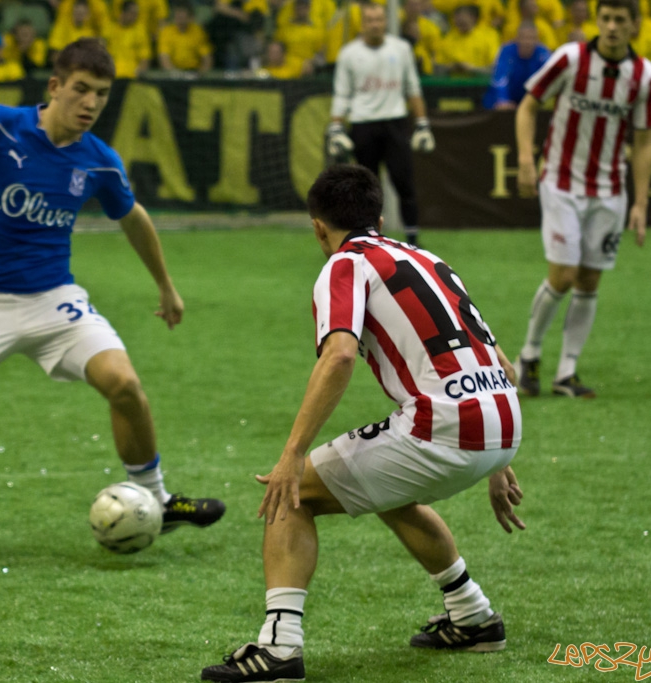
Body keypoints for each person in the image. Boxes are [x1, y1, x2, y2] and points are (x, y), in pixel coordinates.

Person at [0, 38, 225, 549]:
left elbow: (133, 218)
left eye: (102, 94)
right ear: (55, 87)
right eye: (81, 90)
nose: (90, 103)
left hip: (54, 300)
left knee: (124, 384)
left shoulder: (99, 161)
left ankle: (157, 499)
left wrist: (166, 285)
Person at [200, 163, 524, 683]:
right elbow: (500, 363)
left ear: (317, 227)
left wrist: (292, 455)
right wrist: (498, 458)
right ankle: (473, 616)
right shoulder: (428, 258)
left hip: (445, 425)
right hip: (503, 420)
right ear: (378, 215)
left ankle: (280, 648)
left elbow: (340, 356)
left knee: (295, 493)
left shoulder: (345, 265)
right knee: (379, 484)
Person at [514, 0, 651, 398]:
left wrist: (641, 203)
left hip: (610, 190)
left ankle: (566, 373)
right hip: (561, 182)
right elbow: (528, 106)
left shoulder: (644, 75)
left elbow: (645, 141)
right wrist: (526, 159)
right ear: (598, 22)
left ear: (634, 25)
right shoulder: (569, 58)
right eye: (606, 19)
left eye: (620, 20)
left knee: (590, 279)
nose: (611, 27)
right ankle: (528, 355)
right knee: (562, 275)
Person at [327, 2, 434, 247]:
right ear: (362, 24)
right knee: (366, 190)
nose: (375, 24)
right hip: (363, 124)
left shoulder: (401, 49)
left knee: (404, 182)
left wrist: (422, 124)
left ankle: (413, 241)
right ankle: (368, 242)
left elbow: (412, 89)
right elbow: (342, 94)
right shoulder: (349, 54)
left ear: (385, 22)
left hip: (394, 123)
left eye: (378, 19)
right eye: (370, 20)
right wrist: (336, 127)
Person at [482, 22, 550, 109]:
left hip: (529, 98)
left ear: (537, 40)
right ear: (517, 38)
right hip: (502, 97)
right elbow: (500, 79)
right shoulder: (506, 51)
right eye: (524, 38)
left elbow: (550, 75)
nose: (527, 42)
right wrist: (503, 100)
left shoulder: (542, 53)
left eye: (531, 38)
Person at [157, 1, 213, 73]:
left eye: (182, 17)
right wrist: (173, 73)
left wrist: (203, 73)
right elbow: (164, 57)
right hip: (173, 72)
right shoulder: (166, 32)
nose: (179, 20)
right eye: (177, 16)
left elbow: (207, 57)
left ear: (190, 17)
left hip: (194, 71)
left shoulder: (198, 31)